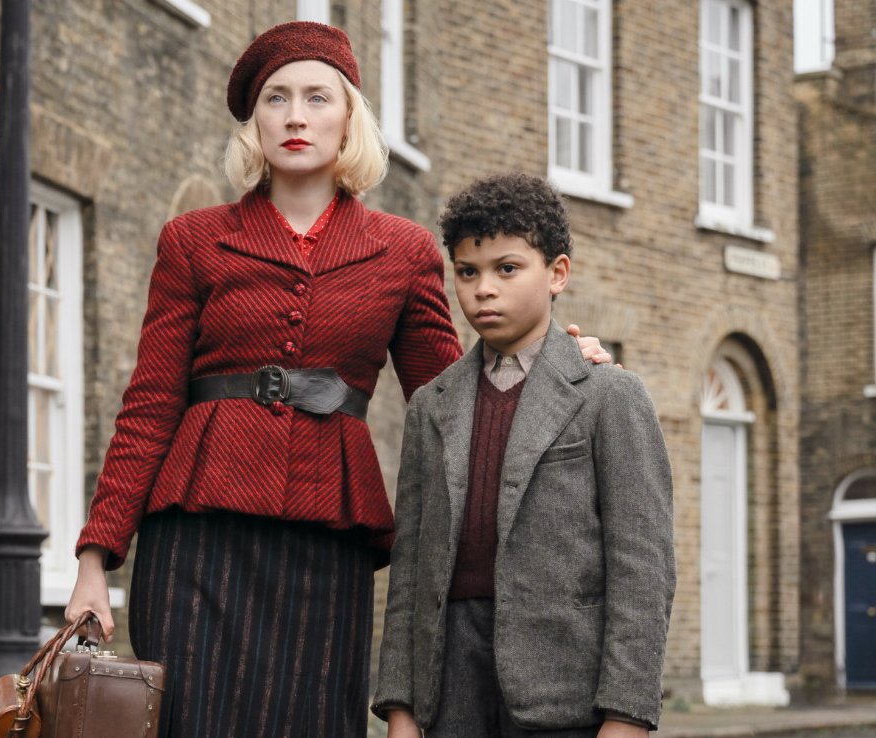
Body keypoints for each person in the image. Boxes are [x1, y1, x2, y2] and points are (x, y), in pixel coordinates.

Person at [65, 24, 611, 738]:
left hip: (328, 542)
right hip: (195, 538)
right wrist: (93, 561)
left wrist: (556, 361)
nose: (296, 116)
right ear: (254, 121)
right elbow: (149, 406)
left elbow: (452, 398)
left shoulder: (405, 250)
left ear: (349, 116)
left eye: (317, 98)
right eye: (276, 99)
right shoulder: (192, 240)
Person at [372, 172, 676, 738]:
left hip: (566, 692)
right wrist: (400, 708)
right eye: (467, 272)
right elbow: (411, 571)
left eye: (506, 269)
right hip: (449, 690)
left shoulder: (610, 395)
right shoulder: (431, 407)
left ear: (557, 273)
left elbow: (644, 569)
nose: (483, 288)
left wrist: (627, 714)